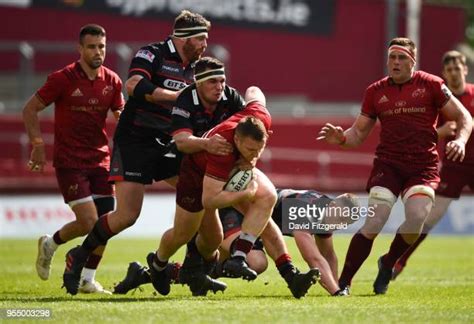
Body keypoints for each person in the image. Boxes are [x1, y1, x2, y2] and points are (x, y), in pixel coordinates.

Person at [61, 10, 215, 295]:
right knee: (128, 215)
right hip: (135, 140)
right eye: (201, 39)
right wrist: (177, 97)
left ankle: (192, 268)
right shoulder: (152, 53)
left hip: (168, 142)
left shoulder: (197, 67)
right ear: (184, 38)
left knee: (199, 195)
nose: (206, 45)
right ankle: (78, 256)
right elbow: (134, 86)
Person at [317, 37, 472, 295]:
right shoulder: (375, 91)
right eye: (392, 57)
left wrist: (462, 140)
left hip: (423, 167)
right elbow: (357, 135)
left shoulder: (432, 84)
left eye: (402, 58)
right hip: (388, 165)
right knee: (375, 221)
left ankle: (388, 262)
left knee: (416, 220)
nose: (396, 62)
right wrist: (341, 138)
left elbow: (463, 116)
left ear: (413, 61)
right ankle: (343, 283)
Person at [147, 86, 319, 298]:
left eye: (260, 149)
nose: (255, 154)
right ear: (237, 141)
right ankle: (158, 263)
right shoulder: (223, 148)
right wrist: (245, 194)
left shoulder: (260, 116)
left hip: (231, 172)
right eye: (250, 150)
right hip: (197, 178)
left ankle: (287, 274)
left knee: (268, 197)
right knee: (187, 235)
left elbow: (254, 90)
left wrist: (251, 159)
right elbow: (210, 200)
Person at [22, 24, 124, 294]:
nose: (98, 51)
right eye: (91, 47)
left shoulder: (113, 81)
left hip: (101, 160)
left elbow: (121, 117)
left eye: (101, 46)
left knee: (105, 223)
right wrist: (38, 145)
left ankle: (87, 278)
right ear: (80, 49)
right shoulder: (63, 78)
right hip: (70, 162)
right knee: (89, 222)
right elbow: (30, 109)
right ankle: (52, 244)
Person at [113, 188, 357, 297]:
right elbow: (313, 258)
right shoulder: (307, 210)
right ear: (334, 205)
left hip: (258, 224)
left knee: (253, 263)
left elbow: (329, 256)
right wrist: (336, 292)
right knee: (254, 261)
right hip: (239, 210)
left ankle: (150, 274)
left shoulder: (328, 215)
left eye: (343, 224)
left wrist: (339, 286)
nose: (337, 227)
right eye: (339, 220)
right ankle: (160, 269)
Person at [392, 50, 474, 279]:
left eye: (457, 68)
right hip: (454, 166)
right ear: (444, 74)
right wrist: (441, 132)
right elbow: (421, 134)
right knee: (429, 218)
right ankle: (398, 261)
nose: (454, 73)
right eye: (449, 70)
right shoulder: (441, 102)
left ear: (465, 69)